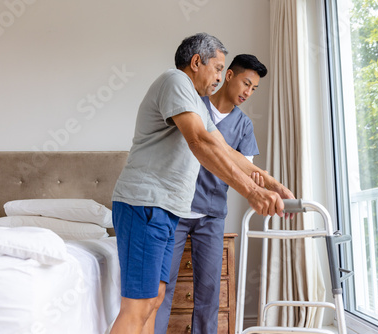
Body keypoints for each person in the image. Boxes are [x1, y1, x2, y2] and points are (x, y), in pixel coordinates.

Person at [110, 33, 294, 334]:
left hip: (165, 209)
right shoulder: (175, 81)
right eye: (218, 68)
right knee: (138, 305)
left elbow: (224, 149)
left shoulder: (194, 102)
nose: (220, 77)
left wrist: (271, 183)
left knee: (153, 301)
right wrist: (251, 191)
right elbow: (199, 141)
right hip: (144, 204)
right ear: (197, 62)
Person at [154, 54, 268, 334]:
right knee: (162, 287)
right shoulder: (193, 106)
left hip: (212, 216)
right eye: (245, 83)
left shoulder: (244, 125)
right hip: (177, 210)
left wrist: (255, 181)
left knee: (209, 292)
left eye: (253, 89)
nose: (247, 92)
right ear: (228, 75)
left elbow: (246, 169)